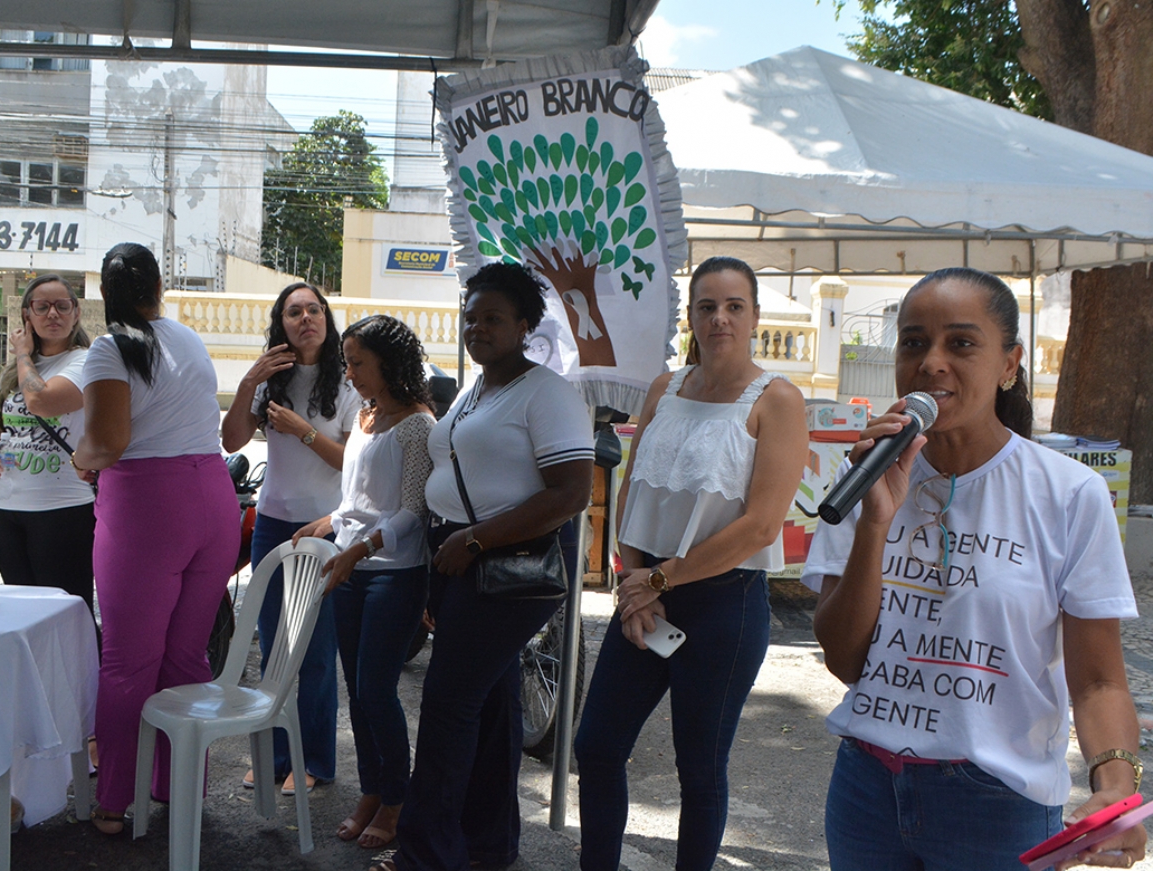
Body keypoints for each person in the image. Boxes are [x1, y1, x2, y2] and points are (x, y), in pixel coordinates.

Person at [804, 267, 1145, 871]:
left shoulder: (1068, 494)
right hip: (867, 789)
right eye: (913, 342)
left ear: (1009, 364)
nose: (932, 361)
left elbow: (1097, 681)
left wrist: (1116, 781)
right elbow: (846, 661)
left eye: (960, 343)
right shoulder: (867, 477)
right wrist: (877, 521)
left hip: (997, 802)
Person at [574, 256, 809, 871]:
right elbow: (631, 491)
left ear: (755, 317)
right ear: (691, 317)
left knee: (698, 771)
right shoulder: (665, 387)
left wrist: (657, 581)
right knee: (596, 747)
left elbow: (759, 525)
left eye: (734, 306)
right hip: (645, 592)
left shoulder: (777, 400)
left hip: (722, 606)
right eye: (707, 306)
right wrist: (637, 583)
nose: (720, 318)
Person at [378, 262, 594, 871]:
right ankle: (488, 844)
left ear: (525, 325)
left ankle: (424, 855)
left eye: (493, 318)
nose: (478, 328)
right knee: (494, 707)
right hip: (457, 558)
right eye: (471, 317)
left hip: (505, 568)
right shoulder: (479, 388)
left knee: (448, 708)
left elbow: (570, 494)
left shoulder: (546, 393)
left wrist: (474, 541)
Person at [73, 242, 239, 834]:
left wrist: (79, 458)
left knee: (125, 661)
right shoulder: (188, 338)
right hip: (212, 497)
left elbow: (108, 443)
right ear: (159, 287)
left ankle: (114, 798)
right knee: (185, 654)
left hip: (147, 506)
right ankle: (177, 785)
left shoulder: (107, 349)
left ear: (104, 292)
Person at [292, 315, 435, 849]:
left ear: (388, 363)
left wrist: (362, 547)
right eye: (347, 361)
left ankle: (397, 802)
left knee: (377, 690)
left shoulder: (418, 424)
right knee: (358, 691)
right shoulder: (369, 415)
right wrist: (332, 521)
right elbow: (361, 496)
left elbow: (415, 510)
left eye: (357, 362)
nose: (348, 372)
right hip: (349, 568)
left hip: (392, 575)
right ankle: (373, 791)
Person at [220, 281, 360, 795]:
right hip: (272, 526)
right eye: (294, 312)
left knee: (317, 653)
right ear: (281, 323)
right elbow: (231, 439)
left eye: (314, 310)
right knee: (274, 645)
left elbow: (352, 462)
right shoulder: (270, 379)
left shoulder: (349, 380)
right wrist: (247, 385)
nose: (306, 319)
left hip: (326, 530)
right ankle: (275, 754)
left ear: (327, 318)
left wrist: (303, 431)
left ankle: (316, 760)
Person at [0, 275, 95, 610]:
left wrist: (22, 353)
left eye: (62, 306)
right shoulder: (14, 371)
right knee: (23, 611)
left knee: (65, 611)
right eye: (42, 306)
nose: (53, 314)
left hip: (61, 511)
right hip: (6, 510)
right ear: (27, 315)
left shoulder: (84, 361)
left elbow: (41, 401)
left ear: (76, 314)